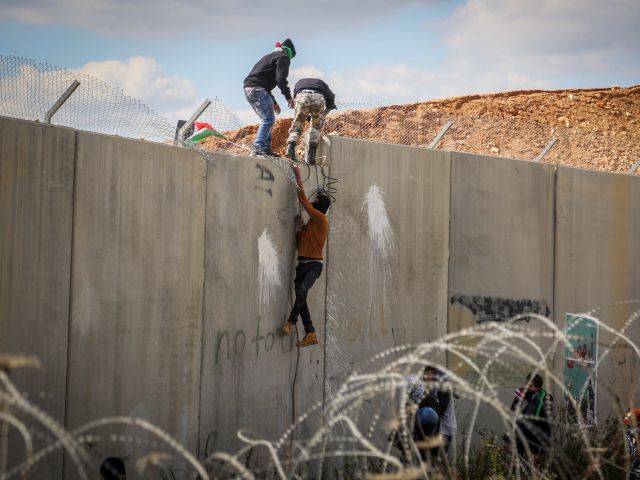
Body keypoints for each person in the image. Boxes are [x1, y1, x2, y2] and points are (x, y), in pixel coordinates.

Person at [281, 164, 330, 347]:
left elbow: (302, 199)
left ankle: (291, 322)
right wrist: (299, 230)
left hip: (313, 266)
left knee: (301, 292)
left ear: (320, 206)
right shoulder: (312, 223)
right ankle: (310, 332)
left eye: (316, 200)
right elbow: (299, 245)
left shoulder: (321, 219)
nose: (313, 201)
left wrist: (298, 175)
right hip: (302, 264)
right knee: (302, 298)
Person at [243, 39, 297, 157]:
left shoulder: (269, 56)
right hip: (257, 89)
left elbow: (263, 80)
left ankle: (265, 149)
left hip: (250, 89)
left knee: (268, 119)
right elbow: (280, 80)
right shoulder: (283, 57)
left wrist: (274, 102)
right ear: (289, 53)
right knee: (268, 119)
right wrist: (289, 98)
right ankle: (258, 147)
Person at [284, 78, 336, 164]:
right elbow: (331, 101)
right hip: (318, 96)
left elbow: (297, 102)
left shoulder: (299, 82)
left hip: (301, 95)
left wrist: (302, 117)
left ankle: (290, 149)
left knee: (298, 123)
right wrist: (321, 117)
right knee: (315, 127)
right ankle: (312, 155)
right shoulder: (322, 83)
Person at [510, 373, 553, 460]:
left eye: (530, 386)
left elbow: (546, 428)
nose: (526, 387)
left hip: (532, 447)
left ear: (537, 389)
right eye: (526, 383)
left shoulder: (543, 404)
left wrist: (541, 452)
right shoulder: (520, 396)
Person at [423, 365, 457, 453]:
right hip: (438, 429)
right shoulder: (433, 388)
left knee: (439, 457)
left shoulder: (443, 390)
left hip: (444, 430)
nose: (426, 377)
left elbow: (439, 411)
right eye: (425, 374)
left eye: (429, 374)